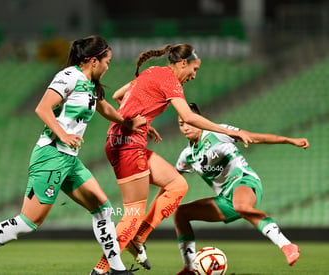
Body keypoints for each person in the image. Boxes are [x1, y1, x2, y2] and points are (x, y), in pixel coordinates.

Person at [0, 35, 146, 275]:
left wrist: (127, 123)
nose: (108, 67)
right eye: (107, 62)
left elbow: (104, 107)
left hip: (69, 159)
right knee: (28, 223)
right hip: (51, 155)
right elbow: (42, 108)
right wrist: (63, 134)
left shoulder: (90, 84)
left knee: (103, 208)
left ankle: (115, 270)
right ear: (94, 61)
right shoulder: (69, 76)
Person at [91, 44, 253, 275]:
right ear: (183, 63)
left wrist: (142, 124)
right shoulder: (170, 81)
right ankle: (100, 270)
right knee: (133, 214)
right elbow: (188, 116)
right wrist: (229, 132)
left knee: (177, 185)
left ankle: (138, 238)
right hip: (128, 147)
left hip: (121, 142)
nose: (194, 76)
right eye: (194, 69)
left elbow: (119, 96)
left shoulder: (153, 71)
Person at [173, 103, 309, 275]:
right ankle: (189, 268)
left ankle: (286, 245)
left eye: (189, 122)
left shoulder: (218, 132)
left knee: (241, 206)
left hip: (244, 181)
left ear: (199, 120)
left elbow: (254, 137)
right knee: (181, 213)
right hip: (225, 199)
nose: (185, 127)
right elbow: (170, 183)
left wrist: (290, 140)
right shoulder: (187, 155)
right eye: (181, 124)